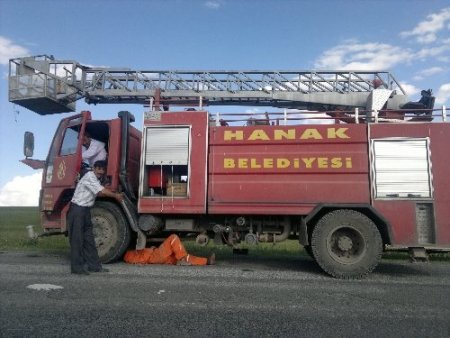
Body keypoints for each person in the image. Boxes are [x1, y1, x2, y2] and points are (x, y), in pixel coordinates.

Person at [68, 160, 123, 275]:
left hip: (86, 210)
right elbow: (101, 191)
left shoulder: (95, 179)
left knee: (89, 239)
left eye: (102, 170)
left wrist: (106, 190)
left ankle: (95, 266)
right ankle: (76, 268)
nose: (101, 172)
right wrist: (116, 196)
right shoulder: (89, 176)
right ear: (94, 168)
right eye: (99, 169)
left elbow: (99, 193)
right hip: (78, 210)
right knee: (77, 240)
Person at [124, 234, 215, 266]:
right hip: (154, 255)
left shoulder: (127, 252)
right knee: (173, 238)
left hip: (157, 258)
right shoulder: (127, 254)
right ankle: (182, 259)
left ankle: (206, 261)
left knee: (183, 258)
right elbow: (140, 257)